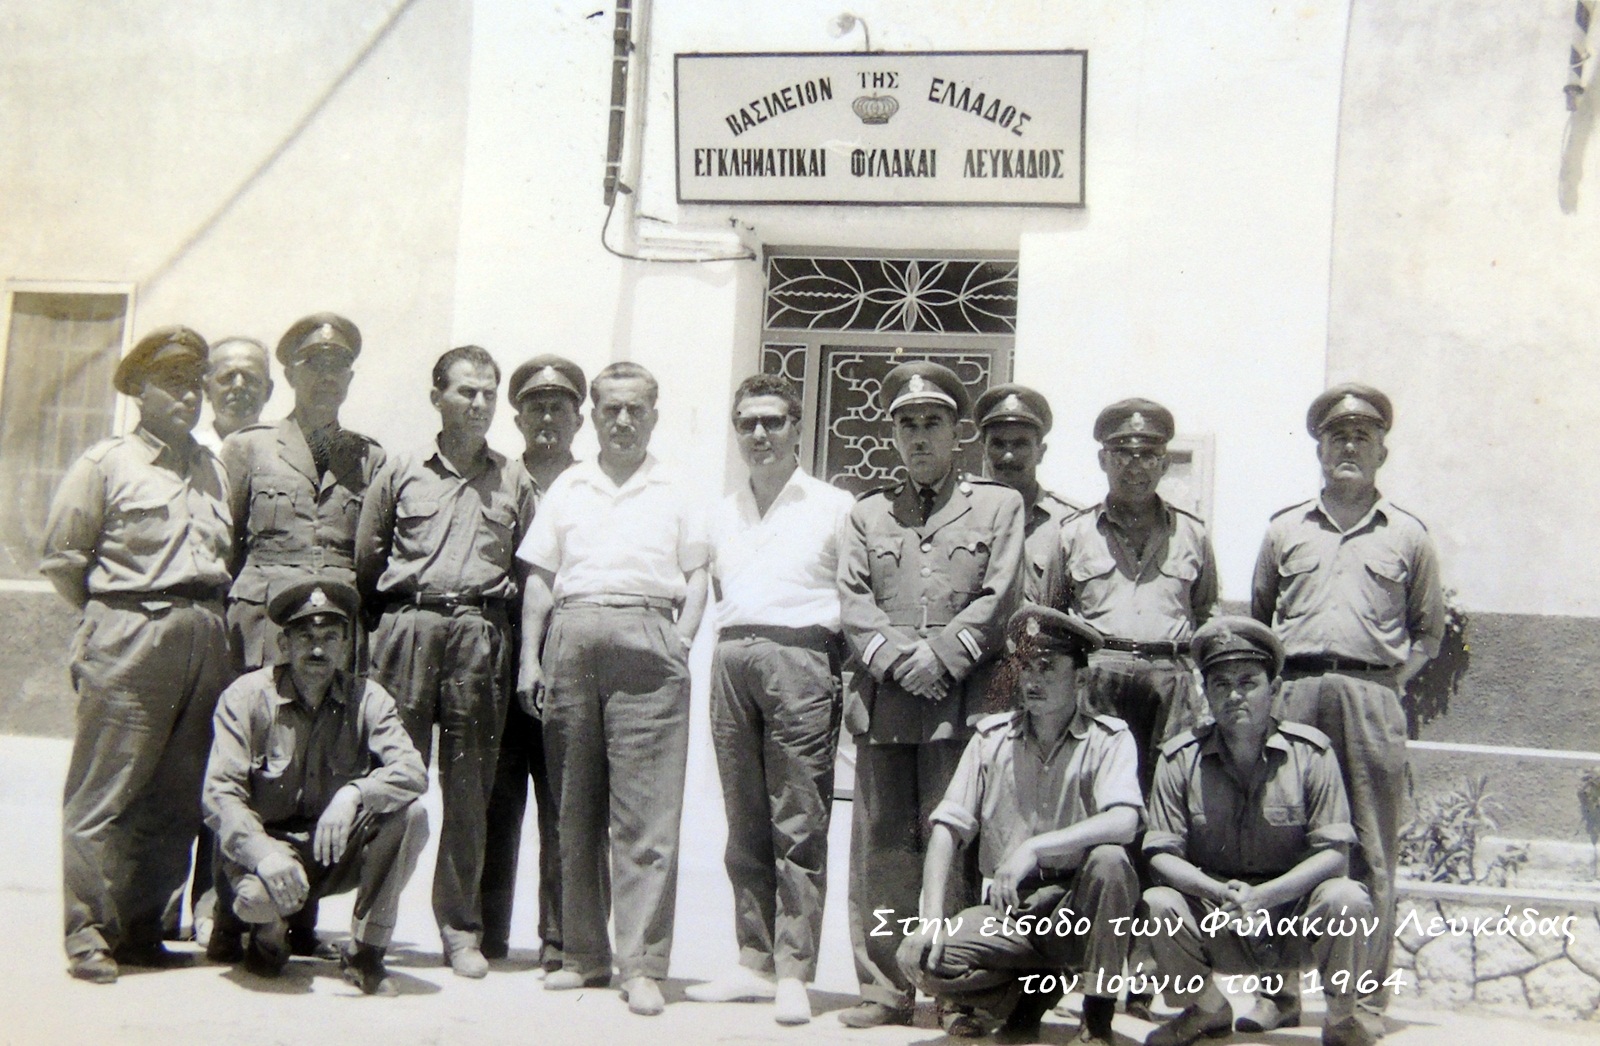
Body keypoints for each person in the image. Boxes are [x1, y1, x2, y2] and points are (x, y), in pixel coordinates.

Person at [835, 360, 1026, 1030]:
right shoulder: (866, 513)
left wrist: (940, 656)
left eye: (933, 422)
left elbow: (1001, 595)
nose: (920, 436)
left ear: (957, 432)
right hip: (887, 701)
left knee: (958, 844)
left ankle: (958, 990)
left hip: (961, 700)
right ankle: (886, 988)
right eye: (908, 424)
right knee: (884, 849)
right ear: (893, 435)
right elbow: (853, 600)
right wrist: (898, 661)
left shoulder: (999, 506)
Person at [515, 361, 709, 1017]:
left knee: (645, 817)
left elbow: (698, 573)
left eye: (635, 409)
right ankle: (583, 955)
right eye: (611, 410)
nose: (623, 421)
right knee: (574, 807)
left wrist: (681, 641)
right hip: (572, 638)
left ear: (654, 415)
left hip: (648, 638)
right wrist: (530, 660)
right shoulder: (568, 487)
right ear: (593, 416)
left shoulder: (677, 487)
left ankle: (643, 964)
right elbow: (540, 579)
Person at [41, 325, 233, 983]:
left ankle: (143, 926)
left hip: (204, 634)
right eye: (173, 384)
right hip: (130, 631)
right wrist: (114, 618)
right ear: (138, 391)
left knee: (176, 793)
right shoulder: (105, 464)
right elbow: (64, 560)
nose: (189, 396)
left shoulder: (213, 468)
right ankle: (89, 933)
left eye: (195, 384)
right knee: (106, 790)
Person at [1250, 384, 1443, 1036]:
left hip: (1370, 699)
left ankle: (1361, 1003)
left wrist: (1383, 685)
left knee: (1370, 850)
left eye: (1363, 436)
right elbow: (1261, 620)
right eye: (1338, 437)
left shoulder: (1408, 535)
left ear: (1382, 449)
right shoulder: (1285, 529)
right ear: (1320, 449)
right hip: (1296, 695)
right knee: (1280, 841)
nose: (1350, 447)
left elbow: (1428, 633)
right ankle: (1278, 992)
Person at [355, 345, 535, 979]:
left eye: (488, 393)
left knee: (469, 791)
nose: (479, 403)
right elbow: (368, 559)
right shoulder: (401, 470)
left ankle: (460, 931)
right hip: (410, 627)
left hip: (479, 636)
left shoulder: (513, 480)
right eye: (466, 391)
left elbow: (527, 567)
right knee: (394, 781)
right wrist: (396, 623)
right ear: (437, 397)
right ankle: (371, 929)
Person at [213, 312, 385, 956]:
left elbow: (368, 555)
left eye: (339, 365)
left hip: (331, 626)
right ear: (289, 373)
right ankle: (224, 911)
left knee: (316, 764)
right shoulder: (249, 448)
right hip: (261, 623)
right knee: (247, 764)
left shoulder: (369, 457)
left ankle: (297, 915)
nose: (327, 376)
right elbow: (227, 545)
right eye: (314, 364)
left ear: (351, 377)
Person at [684, 374, 854, 1025]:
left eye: (772, 421)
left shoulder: (834, 505)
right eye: (747, 423)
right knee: (745, 820)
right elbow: (707, 591)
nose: (759, 434)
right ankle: (752, 961)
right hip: (733, 658)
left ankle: (792, 971)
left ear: (796, 428)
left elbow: (854, 595)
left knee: (799, 819)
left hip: (802, 658)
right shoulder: (720, 510)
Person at [896, 605, 1141, 1046]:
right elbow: (946, 829)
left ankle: (1097, 1017)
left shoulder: (1110, 739)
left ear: (1081, 679)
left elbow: (1124, 821)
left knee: (1111, 862)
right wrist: (929, 919)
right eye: (1025, 666)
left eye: (1047, 668)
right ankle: (1031, 996)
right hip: (1013, 909)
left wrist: (1036, 847)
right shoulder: (991, 739)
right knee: (927, 960)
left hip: (1077, 907)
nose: (1032, 680)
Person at [1141, 616, 1375, 1046]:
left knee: (1347, 899)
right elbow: (1161, 853)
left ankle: (1342, 1019)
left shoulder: (1312, 754)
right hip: (1219, 915)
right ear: (1205, 692)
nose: (1234, 695)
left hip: (1291, 919)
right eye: (1220, 684)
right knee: (1160, 903)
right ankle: (1207, 1009)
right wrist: (1217, 892)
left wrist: (1265, 897)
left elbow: (1334, 854)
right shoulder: (1179, 759)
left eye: (1248, 682)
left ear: (1275, 688)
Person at [202, 577, 429, 996]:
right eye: (305, 637)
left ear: (346, 646)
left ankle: (366, 953)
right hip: (268, 852)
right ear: (284, 644)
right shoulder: (246, 697)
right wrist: (264, 854)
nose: (318, 649)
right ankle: (266, 934)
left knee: (410, 816)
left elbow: (413, 770)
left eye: (330, 638)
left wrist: (354, 793)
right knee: (258, 904)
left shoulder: (368, 698)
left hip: (329, 852)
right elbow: (220, 795)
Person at [480, 354, 587, 968]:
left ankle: (559, 938)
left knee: (563, 800)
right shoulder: (494, 478)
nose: (547, 417)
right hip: (500, 650)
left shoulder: (592, 484)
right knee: (495, 798)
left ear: (579, 420)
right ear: (517, 418)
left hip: (568, 653)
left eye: (559, 407)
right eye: (536, 407)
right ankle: (487, 931)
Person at [973, 383, 1085, 605]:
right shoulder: (963, 516)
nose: (1008, 456)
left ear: (1040, 452)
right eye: (998, 444)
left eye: (1020, 445)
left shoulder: (1069, 523)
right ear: (983, 450)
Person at [197, 336, 272, 452]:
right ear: (207, 389)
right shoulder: (185, 452)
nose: (238, 385)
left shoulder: (286, 454)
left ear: (268, 390)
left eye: (250, 377)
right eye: (228, 377)